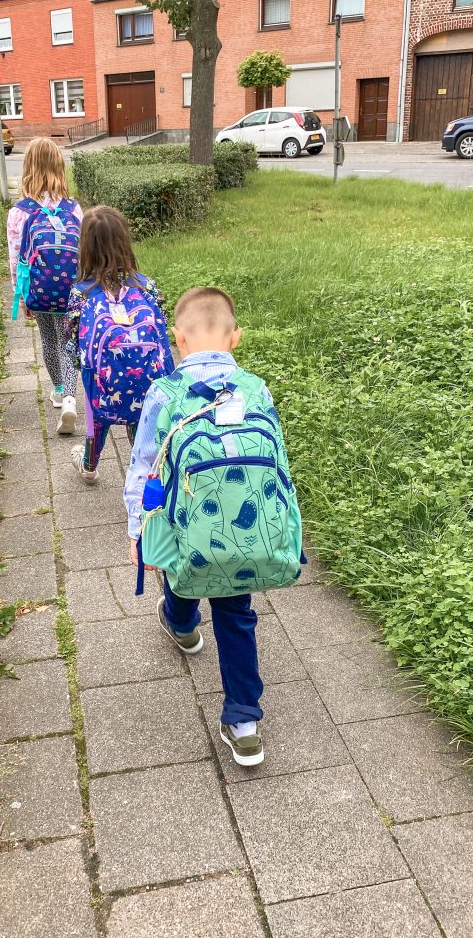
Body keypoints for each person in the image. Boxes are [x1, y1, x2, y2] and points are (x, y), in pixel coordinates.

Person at [124, 287, 303, 768]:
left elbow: (144, 464)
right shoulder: (257, 389)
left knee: (183, 571)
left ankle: (182, 624)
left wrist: (137, 525)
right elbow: (279, 464)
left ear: (177, 339)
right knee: (236, 611)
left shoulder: (163, 393)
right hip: (249, 538)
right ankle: (244, 722)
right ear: (235, 338)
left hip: (191, 534)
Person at [65, 205, 174, 482]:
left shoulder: (81, 292)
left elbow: (71, 339)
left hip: (100, 377)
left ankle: (89, 466)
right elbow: (161, 323)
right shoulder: (146, 286)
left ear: (85, 247)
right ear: (125, 242)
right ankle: (145, 466)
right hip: (147, 376)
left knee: (96, 421)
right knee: (141, 417)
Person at [8, 137, 82, 434]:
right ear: (59, 167)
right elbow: (84, 253)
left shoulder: (20, 212)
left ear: (28, 168)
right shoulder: (74, 209)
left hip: (38, 289)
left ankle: (58, 389)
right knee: (69, 343)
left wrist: (21, 295)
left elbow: (16, 258)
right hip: (70, 288)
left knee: (50, 340)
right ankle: (70, 400)